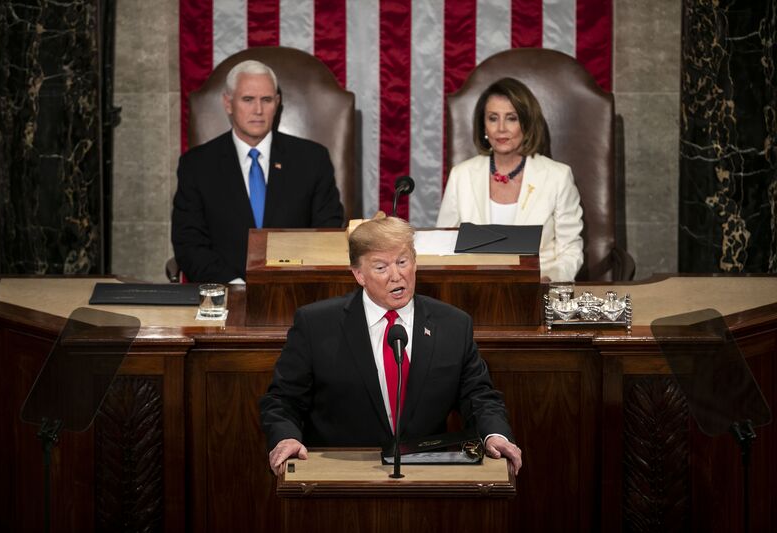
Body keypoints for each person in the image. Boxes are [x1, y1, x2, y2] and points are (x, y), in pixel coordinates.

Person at [259, 216, 522, 476]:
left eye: (402, 262)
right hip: (342, 474)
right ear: (359, 274)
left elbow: (479, 396)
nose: (396, 276)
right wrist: (286, 438)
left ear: (415, 263)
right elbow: (283, 400)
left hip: (427, 477)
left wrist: (494, 434)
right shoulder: (316, 325)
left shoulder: (453, 325)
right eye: (381, 267)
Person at [171, 60, 344, 283]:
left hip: (296, 292)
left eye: (267, 99)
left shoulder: (312, 159)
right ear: (228, 103)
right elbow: (189, 243)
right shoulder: (196, 165)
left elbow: (326, 231)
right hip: (224, 292)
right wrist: (233, 285)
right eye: (248, 99)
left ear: (277, 103)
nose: (258, 110)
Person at [436, 77, 583, 282]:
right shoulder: (461, 175)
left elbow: (571, 250)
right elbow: (444, 245)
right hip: (475, 290)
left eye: (512, 118)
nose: (501, 128)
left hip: (537, 291)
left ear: (527, 123)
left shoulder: (558, 177)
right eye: (493, 118)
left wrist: (550, 279)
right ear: (483, 126)